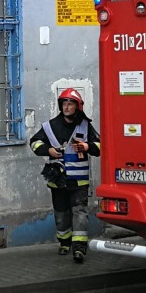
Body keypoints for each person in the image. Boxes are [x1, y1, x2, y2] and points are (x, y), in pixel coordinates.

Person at [30, 87, 101, 263]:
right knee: (61, 214)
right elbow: (34, 142)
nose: (67, 107)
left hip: (79, 181)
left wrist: (86, 147)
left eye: (70, 103)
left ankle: (79, 248)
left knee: (80, 213)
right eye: (64, 103)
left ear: (77, 107)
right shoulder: (50, 126)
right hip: (58, 181)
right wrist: (48, 150)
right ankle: (64, 242)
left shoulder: (85, 126)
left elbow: (100, 146)